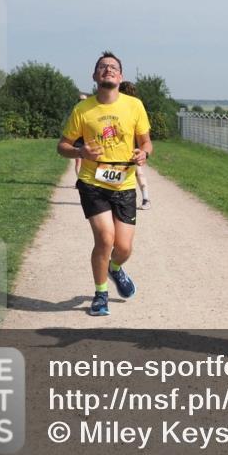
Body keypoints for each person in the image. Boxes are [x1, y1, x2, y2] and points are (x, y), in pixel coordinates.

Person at [57, 52, 152, 316]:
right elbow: (62, 146)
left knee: (123, 248)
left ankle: (115, 268)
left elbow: (146, 142)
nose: (108, 69)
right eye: (102, 67)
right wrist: (80, 152)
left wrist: (144, 153)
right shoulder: (82, 110)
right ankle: (100, 294)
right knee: (105, 238)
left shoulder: (134, 106)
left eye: (113, 67)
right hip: (92, 182)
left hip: (124, 184)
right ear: (95, 75)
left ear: (120, 77)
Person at [118, 81, 151, 209]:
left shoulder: (120, 105)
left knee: (132, 172)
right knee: (138, 172)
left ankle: (144, 199)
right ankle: (146, 198)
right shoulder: (137, 105)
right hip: (136, 145)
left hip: (127, 146)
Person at [73, 94, 88, 186]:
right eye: (81, 100)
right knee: (78, 161)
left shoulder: (90, 110)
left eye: (84, 100)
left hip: (87, 138)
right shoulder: (76, 111)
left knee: (86, 161)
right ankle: (79, 180)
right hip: (78, 139)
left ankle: (84, 180)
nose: (82, 101)